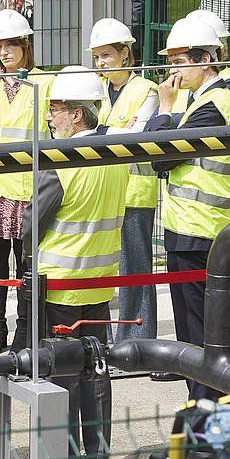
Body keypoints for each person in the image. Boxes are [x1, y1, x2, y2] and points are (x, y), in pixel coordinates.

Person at [145, 17, 230, 459]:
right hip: (197, 231)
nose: (172, 75)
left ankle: (205, 437)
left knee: (201, 338)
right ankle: (218, 426)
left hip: (199, 233)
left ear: (205, 60)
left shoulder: (213, 103)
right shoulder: (207, 97)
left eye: (179, 63)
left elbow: (159, 152)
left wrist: (164, 108)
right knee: (208, 335)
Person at [31, 65, 127, 459]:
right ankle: (99, 456)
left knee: (63, 374)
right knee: (97, 368)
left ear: (76, 115)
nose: (50, 118)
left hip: (61, 284)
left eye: (55, 109)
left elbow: (28, 227)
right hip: (100, 280)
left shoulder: (61, 162)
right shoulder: (119, 154)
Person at [0, 9, 52, 353]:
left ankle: (24, 328)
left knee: (27, 264)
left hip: (28, 189)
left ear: (26, 45)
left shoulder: (45, 83)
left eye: (12, 45)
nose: (5, 52)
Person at [88, 19, 158, 343]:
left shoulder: (147, 90)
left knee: (136, 268)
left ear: (125, 55)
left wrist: (103, 133)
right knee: (103, 267)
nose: (102, 63)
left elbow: (139, 135)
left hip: (135, 191)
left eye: (107, 56)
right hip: (102, 190)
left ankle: (137, 339)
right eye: (98, 57)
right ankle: (109, 338)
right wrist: (115, 133)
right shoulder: (95, 89)